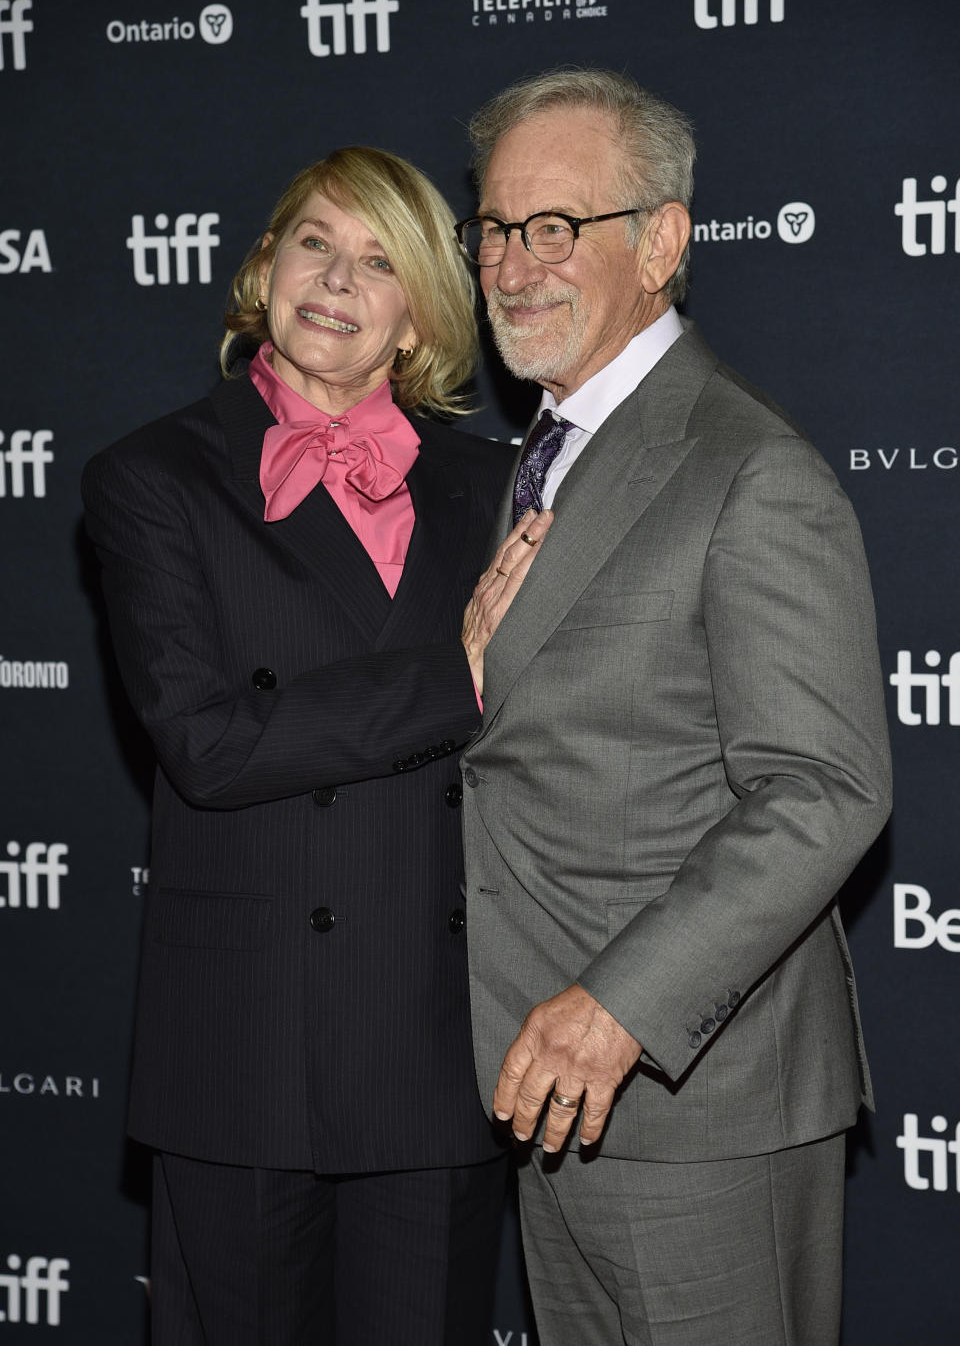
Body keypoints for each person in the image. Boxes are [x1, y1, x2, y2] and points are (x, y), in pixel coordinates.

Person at [456, 69, 892, 1346]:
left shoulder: (748, 470)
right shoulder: (548, 450)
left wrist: (623, 1008)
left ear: (661, 242)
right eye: (494, 228)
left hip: (694, 1102)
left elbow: (824, 788)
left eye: (557, 228)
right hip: (553, 1100)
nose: (514, 266)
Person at [82, 146, 529, 1346]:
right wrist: (457, 676)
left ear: (421, 313)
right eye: (314, 242)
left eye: (379, 260)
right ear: (266, 264)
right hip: (244, 1045)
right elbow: (211, 745)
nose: (337, 279)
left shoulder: (500, 487)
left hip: (441, 1039)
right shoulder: (153, 477)